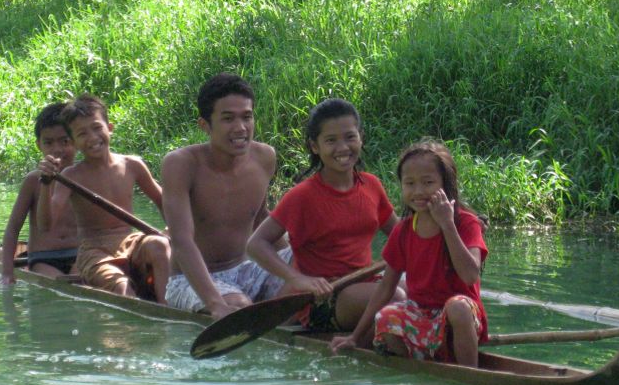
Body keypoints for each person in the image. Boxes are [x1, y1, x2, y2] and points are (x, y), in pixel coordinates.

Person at [247, 98, 405, 332]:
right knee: (397, 297)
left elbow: (402, 234)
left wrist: (448, 225)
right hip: (321, 299)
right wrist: (297, 279)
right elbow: (256, 245)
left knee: (419, 291)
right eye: (331, 140)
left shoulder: (372, 185)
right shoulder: (302, 196)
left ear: (361, 137)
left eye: (350, 137)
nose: (342, 148)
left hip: (365, 285)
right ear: (315, 146)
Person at [330, 139, 488, 367]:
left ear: (446, 184)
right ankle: (420, 363)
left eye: (428, 182)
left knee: (458, 307)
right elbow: (385, 288)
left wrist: (447, 225)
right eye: (410, 183)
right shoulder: (403, 231)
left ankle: (470, 375)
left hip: (459, 316)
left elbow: (470, 276)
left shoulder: (465, 223)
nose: (418, 191)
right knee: (385, 317)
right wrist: (355, 336)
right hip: (421, 316)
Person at [161, 72, 291, 319]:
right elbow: (181, 241)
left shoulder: (265, 157)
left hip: (246, 270)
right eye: (228, 119)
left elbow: (260, 218)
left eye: (247, 117)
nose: (240, 128)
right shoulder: (180, 164)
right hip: (190, 282)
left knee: (313, 258)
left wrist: (294, 263)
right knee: (238, 307)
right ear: (205, 125)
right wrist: (215, 303)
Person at [42, 94, 171, 301]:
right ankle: (132, 305)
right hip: (94, 251)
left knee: (159, 244)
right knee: (121, 287)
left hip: (131, 242)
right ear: (74, 142)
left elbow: (163, 201)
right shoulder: (70, 176)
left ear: (109, 128)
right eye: (82, 134)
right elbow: (46, 224)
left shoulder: (132, 165)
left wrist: (177, 233)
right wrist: (45, 183)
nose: (92, 138)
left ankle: (169, 309)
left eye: (96, 128)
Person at [0, 102, 79, 285]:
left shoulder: (85, 176)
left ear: (76, 141)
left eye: (64, 141)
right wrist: (6, 272)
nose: (57, 149)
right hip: (43, 258)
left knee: (81, 282)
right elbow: (13, 229)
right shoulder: (33, 181)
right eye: (48, 142)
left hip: (80, 256)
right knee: (56, 287)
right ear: (39, 145)